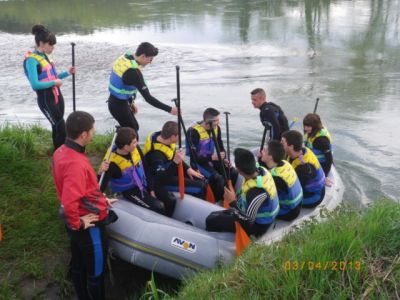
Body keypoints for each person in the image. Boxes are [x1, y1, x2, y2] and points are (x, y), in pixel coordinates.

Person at [52, 111, 118, 300]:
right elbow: (69, 200)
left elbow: (81, 188)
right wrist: (78, 223)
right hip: (89, 224)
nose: (93, 132)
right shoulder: (76, 162)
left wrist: (102, 199)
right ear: (83, 135)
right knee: (96, 272)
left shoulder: (61, 151)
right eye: (92, 130)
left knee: (79, 264)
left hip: (79, 217)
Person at [206, 148, 279, 237]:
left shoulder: (256, 192)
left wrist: (232, 202)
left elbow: (248, 223)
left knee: (211, 220)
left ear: (239, 170)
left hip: (258, 227)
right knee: (213, 215)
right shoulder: (261, 169)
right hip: (248, 213)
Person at [24, 24, 75, 150]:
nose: (53, 48)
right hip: (45, 98)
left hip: (56, 94)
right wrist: (54, 83)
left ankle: (57, 153)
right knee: (61, 127)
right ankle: (60, 156)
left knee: (57, 126)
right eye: (50, 45)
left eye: (53, 45)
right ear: (41, 43)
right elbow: (35, 84)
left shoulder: (45, 56)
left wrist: (68, 73)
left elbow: (53, 76)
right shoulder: (31, 60)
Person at [107, 42, 178, 134]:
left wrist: (131, 103)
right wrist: (170, 109)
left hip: (116, 101)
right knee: (132, 132)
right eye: (150, 59)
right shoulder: (133, 72)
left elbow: (124, 84)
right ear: (143, 56)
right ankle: (119, 146)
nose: (150, 62)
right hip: (118, 106)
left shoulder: (126, 58)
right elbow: (148, 98)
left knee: (133, 127)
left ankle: (121, 138)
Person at [99, 127, 170, 216]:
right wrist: (100, 172)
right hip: (129, 190)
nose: (137, 144)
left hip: (144, 182)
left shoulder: (135, 149)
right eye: (134, 142)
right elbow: (100, 185)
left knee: (169, 199)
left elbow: (146, 168)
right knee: (158, 206)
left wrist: (151, 189)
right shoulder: (112, 164)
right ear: (125, 147)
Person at [143, 121, 206, 208]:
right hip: (160, 180)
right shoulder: (156, 155)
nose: (180, 137)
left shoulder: (163, 138)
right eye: (178, 135)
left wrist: (188, 169)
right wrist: (175, 162)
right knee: (200, 187)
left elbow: (172, 155)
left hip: (168, 168)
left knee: (200, 179)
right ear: (173, 136)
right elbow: (162, 179)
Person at [186, 108, 238, 201]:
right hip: (198, 163)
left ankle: (231, 197)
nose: (218, 122)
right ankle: (217, 201)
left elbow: (220, 145)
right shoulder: (193, 132)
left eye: (218, 120)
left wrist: (224, 158)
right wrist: (213, 157)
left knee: (232, 171)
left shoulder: (216, 128)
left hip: (211, 159)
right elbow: (195, 158)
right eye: (216, 120)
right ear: (208, 122)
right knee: (218, 179)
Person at [281, 130, 325, 208]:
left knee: (281, 201)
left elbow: (295, 190)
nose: (280, 143)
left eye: (283, 142)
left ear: (291, 146)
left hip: (313, 196)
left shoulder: (304, 167)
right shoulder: (297, 152)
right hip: (304, 185)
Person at [261, 140, 303, 221]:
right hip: (297, 206)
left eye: (265, 150)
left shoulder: (276, 178)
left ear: (271, 157)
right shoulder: (284, 163)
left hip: (288, 212)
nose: (262, 151)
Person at [303, 113, 333, 183]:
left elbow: (329, 159)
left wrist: (324, 176)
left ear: (315, 126)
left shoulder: (320, 140)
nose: (305, 128)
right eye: (305, 125)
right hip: (313, 159)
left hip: (321, 164)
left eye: (308, 126)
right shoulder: (313, 131)